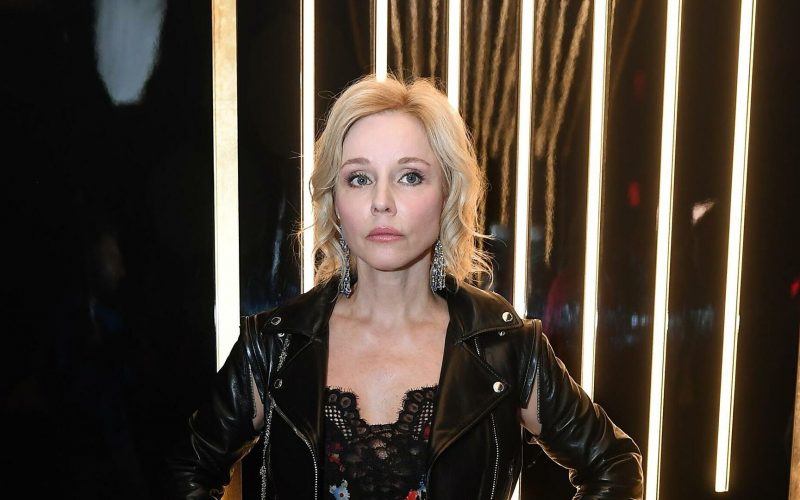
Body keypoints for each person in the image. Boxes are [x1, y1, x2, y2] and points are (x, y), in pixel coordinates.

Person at [168, 76, 643, 499]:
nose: (382, 202)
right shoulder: (275, 345)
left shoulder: (505, 347)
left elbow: (614, 468)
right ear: (335, 201)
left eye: (410, 176)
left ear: (447, 193)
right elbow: (186, 470)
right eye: (359, 178)